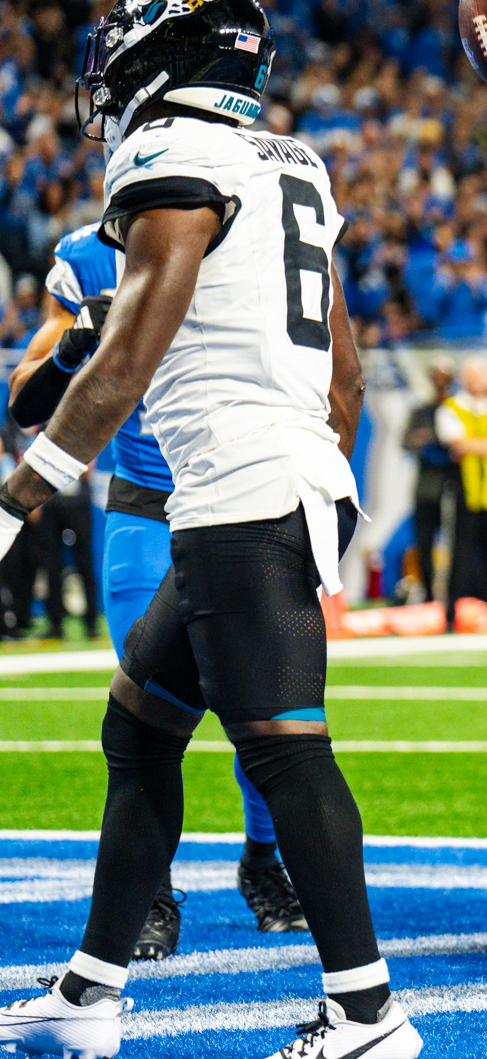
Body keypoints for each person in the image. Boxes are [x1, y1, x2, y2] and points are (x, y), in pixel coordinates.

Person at [0, 0, 419, 1059]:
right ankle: (91, 994)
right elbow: (344, 362)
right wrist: (317, 481)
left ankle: (368, 1017)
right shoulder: (293, 163)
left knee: (284, 750)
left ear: (162, 54)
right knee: (139, 728)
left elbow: (134, 352)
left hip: (240, 489)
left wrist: (17, 497)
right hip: (265, 479)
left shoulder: (170, 155)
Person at [11, 224, 311, 958]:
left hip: (244, 492)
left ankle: (263, 861)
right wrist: (77, 341)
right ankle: (152, 889)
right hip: (147, 497)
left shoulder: (255, 215)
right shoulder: (88, 254)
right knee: (145, 715)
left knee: (263, 704)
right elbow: (25, 393)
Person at [436, 354, 487, 628]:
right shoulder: (452, 407)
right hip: (465, 493)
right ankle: (451, 616)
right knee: (459, 555)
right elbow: (457, 445)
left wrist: (475, 444)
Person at [403, 362, 455, 605]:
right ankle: (429, 594)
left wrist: (432, 440)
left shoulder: (457, 409)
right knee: (425, 542)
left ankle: (456, 592)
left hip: (454, 486)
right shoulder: (421, 412)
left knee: (458, 542)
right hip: (426, 488)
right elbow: (406, 442)